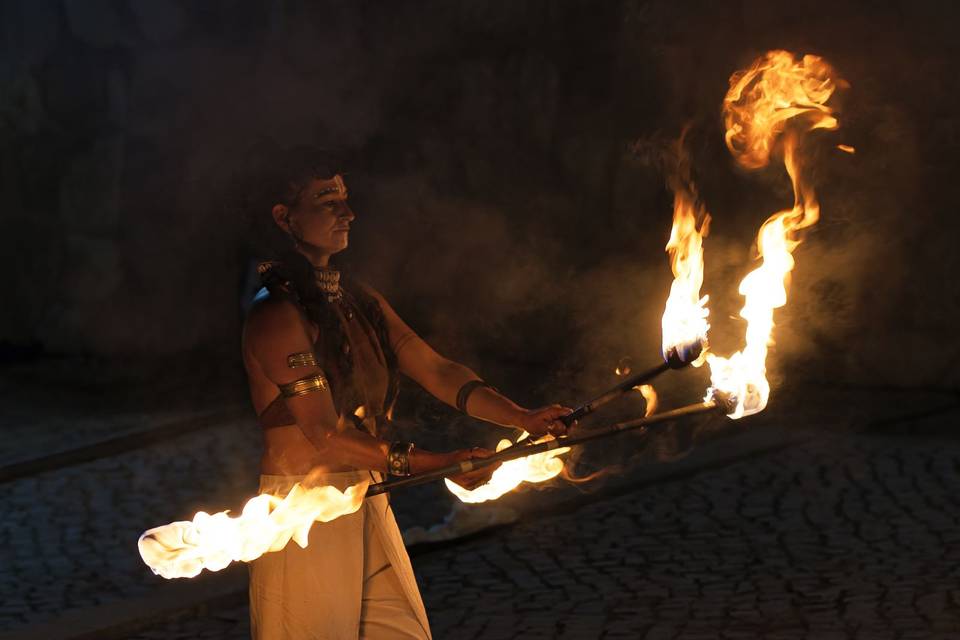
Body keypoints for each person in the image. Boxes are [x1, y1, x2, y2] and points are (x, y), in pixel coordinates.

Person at [241, 150, 571, 639]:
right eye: (327, 201)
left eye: (346, 200)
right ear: (284, 218)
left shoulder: (357, 298)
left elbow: (435, 369)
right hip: (304, 515)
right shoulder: (276, 315)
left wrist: (521, 417)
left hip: (369, 499)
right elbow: (323, 435)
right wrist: (439, 463)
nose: (347, 213)